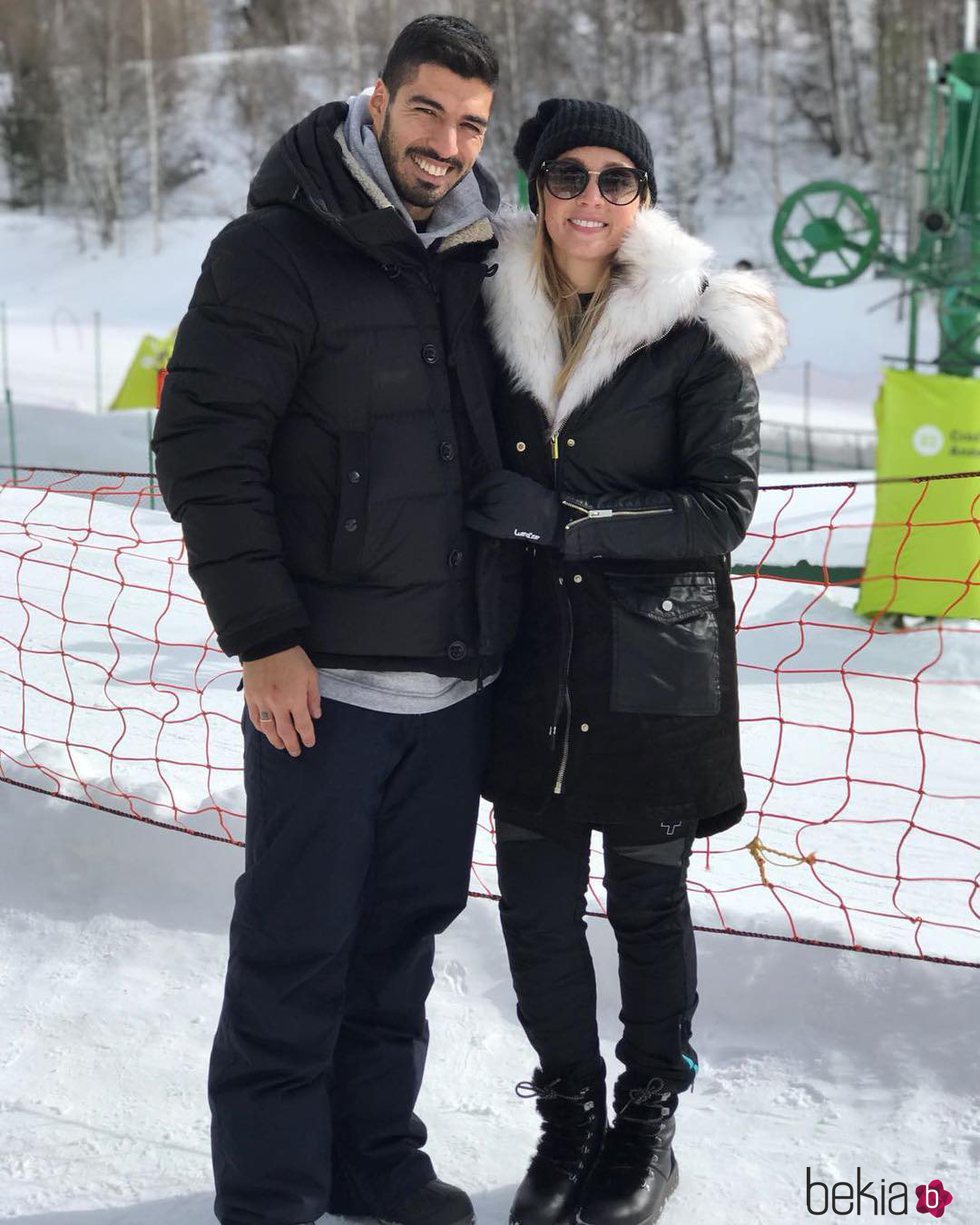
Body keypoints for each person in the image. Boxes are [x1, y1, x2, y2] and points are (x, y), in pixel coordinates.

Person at [152, 17, 513, 1225]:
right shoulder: (274, 250)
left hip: (453, 682)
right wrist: (262, 637)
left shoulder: (484, 257)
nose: (446, 143)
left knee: (400, 943)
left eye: (470, 123)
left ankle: (372, 1156)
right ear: (376, 99)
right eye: (427, 112)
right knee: (297, 946)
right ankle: (269, 1190)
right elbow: (204, 448)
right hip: (320, 685)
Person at [465, 99, 787, 1225]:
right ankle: (569, 1116)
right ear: (535, 190)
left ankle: (647, 1119)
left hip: (653, 670)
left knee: (646, 906)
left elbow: (720, 511)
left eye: (616, 179)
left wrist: (566, 521)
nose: (590, 199)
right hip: (534, 667)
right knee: (536, 913)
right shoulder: (493, 312)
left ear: (642, 196)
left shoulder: (696, 327)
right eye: (566, 176)